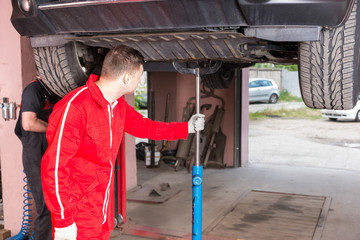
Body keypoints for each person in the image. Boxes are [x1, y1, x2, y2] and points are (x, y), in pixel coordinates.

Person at [41, 45, 205, 240]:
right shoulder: (75, 108)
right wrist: (64, 221)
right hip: (77, 216)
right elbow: (53, 168)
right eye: (139, 75)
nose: (139, 80)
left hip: (101, 210)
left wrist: (185, 128)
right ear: (126, 77)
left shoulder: (117, 106)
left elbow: (147, 127)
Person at [15, 77, 58, 240]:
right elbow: (28, 123)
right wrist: (56, 130)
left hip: (49, 152)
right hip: (35, 154)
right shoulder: (34, 90)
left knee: (55, 204)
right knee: (46, 206)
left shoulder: (54, 92)